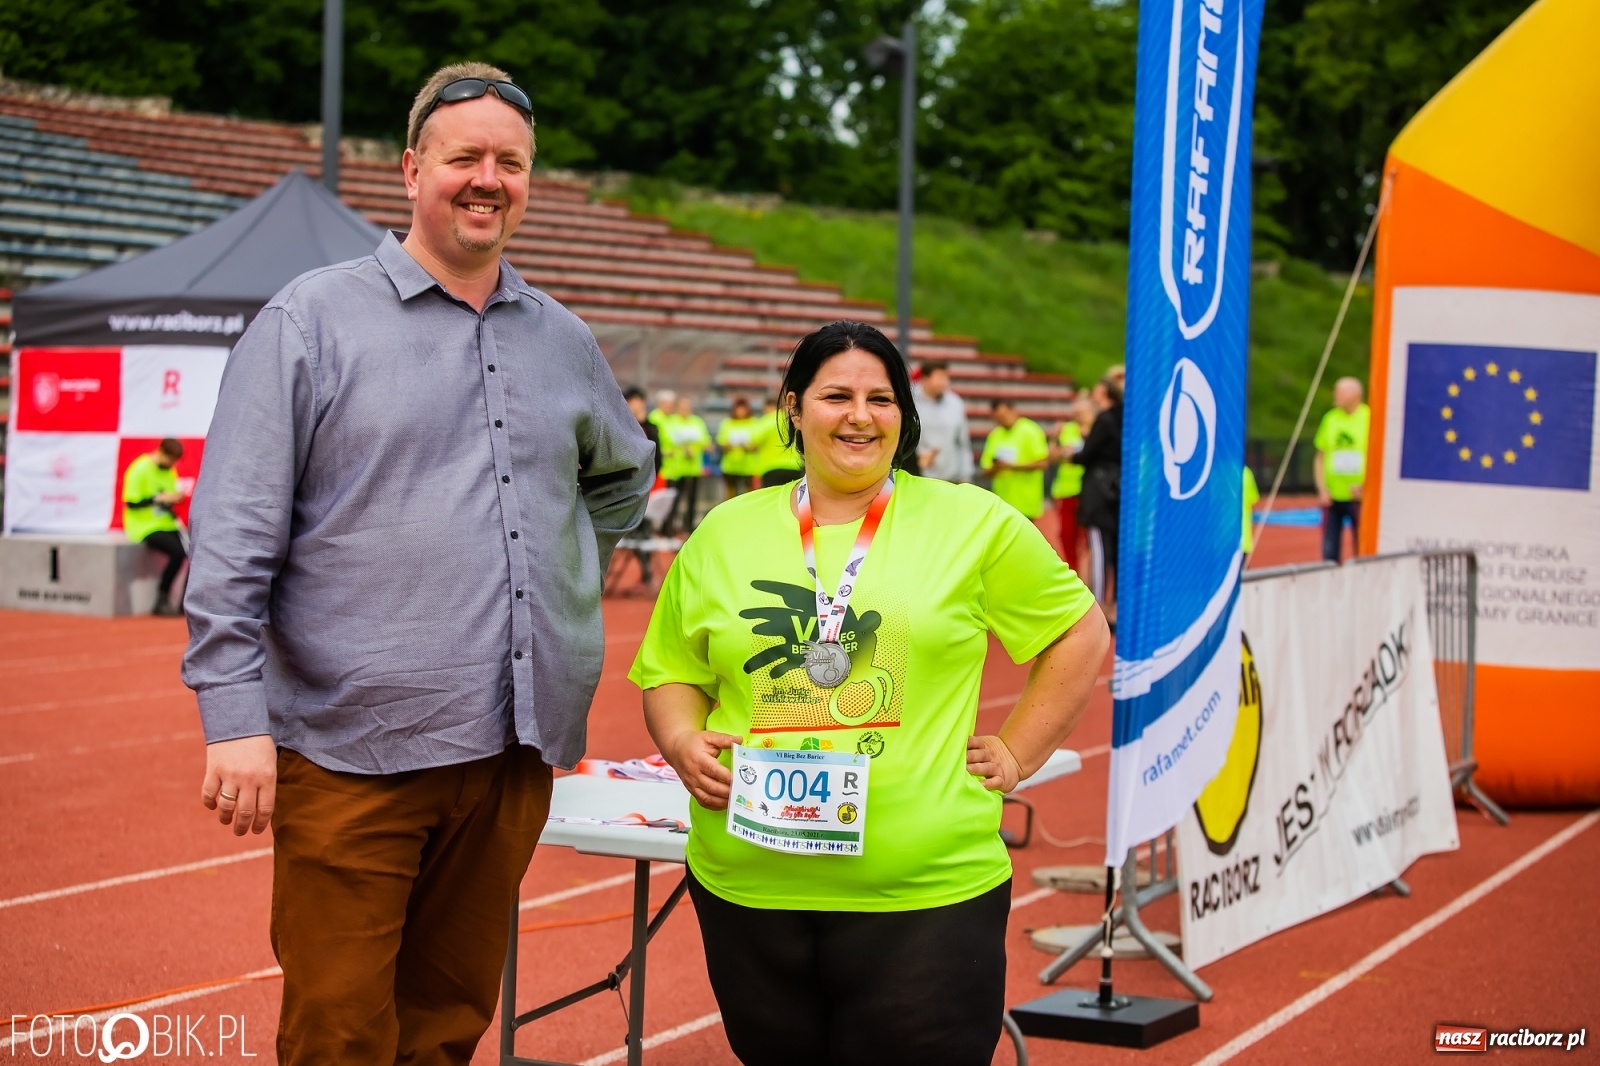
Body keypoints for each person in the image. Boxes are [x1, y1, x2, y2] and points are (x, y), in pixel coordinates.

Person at [180, 62, 654, 1065]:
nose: (488, 179)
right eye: (465, 157)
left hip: (508, 754)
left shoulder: (563, 339)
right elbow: (233, 532)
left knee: (445, 1025)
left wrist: (562, 576)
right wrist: (234, 719)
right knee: (340, 1031)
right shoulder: (308, 322)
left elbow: (620, 478)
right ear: (410, 168)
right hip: (353, 750)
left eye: (510, 163)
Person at [629, 320, 1108, 1066]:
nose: (861, 415)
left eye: (882, 399)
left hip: (924, 893)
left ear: (904, 415)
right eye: (837, 395)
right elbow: (670, 669)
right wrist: (683, 740)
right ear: (793, 408)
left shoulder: (971, 522)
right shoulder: (724, 531)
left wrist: (1016, 752)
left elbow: (1078, 636)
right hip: (752, 887)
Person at [122, 437, 188, 616]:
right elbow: (131, 502)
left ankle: (186, 603)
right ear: (160, 451)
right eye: (170, 459)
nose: (171, 464)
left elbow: (167, 500)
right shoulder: (139, 469)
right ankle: (161, 599)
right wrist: (157, 499)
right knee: (178, 552)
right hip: (144, 526)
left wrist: (175, 498)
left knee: (194, 551)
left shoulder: (169, 471)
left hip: (166, 523)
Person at [1077, 376, 1124, 617]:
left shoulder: (1104, 420)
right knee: (1115, 549)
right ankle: (1114, 604)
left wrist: (1070, 455)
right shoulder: (1125, 416)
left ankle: (1097, 608)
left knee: (1099, 549)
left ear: (1105, 393)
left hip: (1100, 492)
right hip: (1119, 490)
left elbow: (1085, 455)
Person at [1313, 376, 1369, 562]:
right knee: (1329, 549)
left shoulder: (1369, 418)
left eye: (1340, 392)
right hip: (1333, 496)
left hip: (1359, 497)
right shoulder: (1330, 419)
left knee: (1363, 547)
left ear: (1355, 395)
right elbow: (1320, 457)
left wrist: (1366, 485)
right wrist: (1322, 489)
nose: (1335, 395)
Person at [979, 398, 1050, 519]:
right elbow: (985, 470)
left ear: (1013, 411)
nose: (1001, 420)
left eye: (1003, 415)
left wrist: (1011, 466)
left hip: (1026, 502)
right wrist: (997, 467)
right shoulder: (995, 435)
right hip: (1002, 502)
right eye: (997, 418)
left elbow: (1043, 463)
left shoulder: (1030, 430)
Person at [626, 386, 665, 587]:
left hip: (646, 486)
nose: (635, 405)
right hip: (626, 487)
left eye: (638, 401)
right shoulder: (621, 424)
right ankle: (645, 571)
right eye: (631, 401)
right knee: (633, 530)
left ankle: (647, 572)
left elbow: (658, 457)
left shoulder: (651, 427)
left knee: (645, 530)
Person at [912, 360, 974, 483]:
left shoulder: (955, 403)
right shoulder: (911, 401)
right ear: (925, 379)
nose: (944, 382)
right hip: (919, 477)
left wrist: (966, 475)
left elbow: (962, 441)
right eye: (940, 377)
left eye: (946, 377)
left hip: (952, 478)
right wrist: (917, 458)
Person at [1049, 398, 1091, 569]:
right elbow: (1052, 456)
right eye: (1075, 413)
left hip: (1087, 491)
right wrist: (1055, 439)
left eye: (1081, 413)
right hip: (1066, 490)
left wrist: (1070, 452)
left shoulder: (1096, 429)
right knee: (1067, 535)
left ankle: (1089, 573)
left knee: (1087, 538)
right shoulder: (1067, 429)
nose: (1078, 416)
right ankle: (1074, 571)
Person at [662, 395, 711, 535]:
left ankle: (688, 528)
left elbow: (705, 442)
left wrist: (696, 448)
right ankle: (668, 529)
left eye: (688, 407)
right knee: (672, 502)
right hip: (674, 469)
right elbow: (665, 442)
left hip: (693, 468)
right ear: (677, 408)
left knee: (692, 500)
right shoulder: (670, 422)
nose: (685, 410)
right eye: (682, 407)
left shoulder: (697, 422)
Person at [717, 396, 763, 497]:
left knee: (749, 496)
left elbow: (758, 444)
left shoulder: (754, 423)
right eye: (738, 408)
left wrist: (747, 447)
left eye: (743, 409)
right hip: (730, 466)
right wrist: (728, 445)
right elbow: (721, 442)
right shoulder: (727, 423)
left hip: (749, 467)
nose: (740, 411)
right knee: (730, 496)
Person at [754, 395, 803, 487]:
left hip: (771, 467)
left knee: (772, 499)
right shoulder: (791, 420)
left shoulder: (766, 421)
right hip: (794, 466)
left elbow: (753, 441)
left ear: (767, 406)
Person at [1241, 464, 1260, 566]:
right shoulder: (1246, 472)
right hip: (1243, 538)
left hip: (1221, 539)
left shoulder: (1218, 470)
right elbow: (1253, 501)